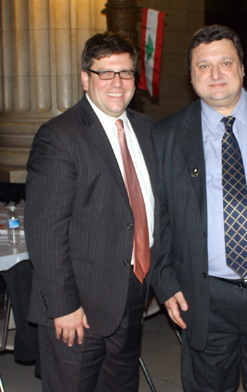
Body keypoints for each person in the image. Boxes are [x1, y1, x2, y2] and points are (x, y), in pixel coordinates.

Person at [151, 24, 247, 391]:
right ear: (190, 77)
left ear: (242, 68)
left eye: (225, 62)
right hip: (205, 298)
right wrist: (165, 279)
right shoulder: (167, 136)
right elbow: (157, 220)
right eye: (203, 66)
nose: (216, 74)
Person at [25, 33, 160, 392]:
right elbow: (45, 231)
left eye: (126, 73)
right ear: (85, 78)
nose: (117, 83)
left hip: (131, 294)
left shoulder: (146, 130)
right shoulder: (59, 136)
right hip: (77, 307)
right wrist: (63, 306)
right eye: (106, 73)